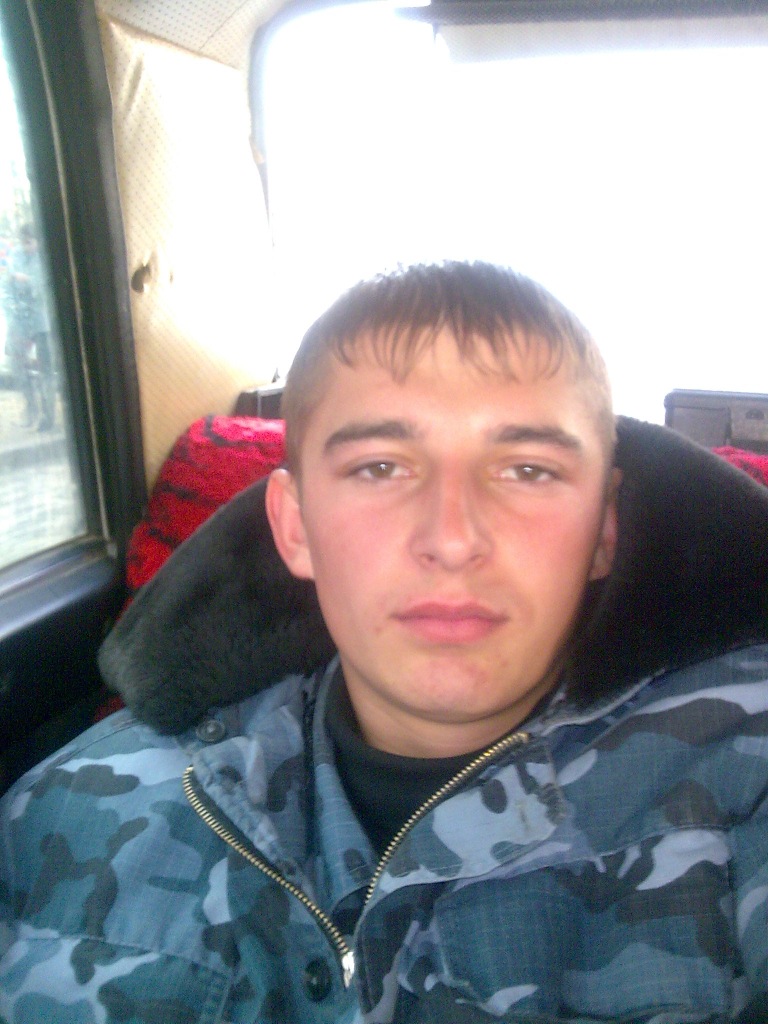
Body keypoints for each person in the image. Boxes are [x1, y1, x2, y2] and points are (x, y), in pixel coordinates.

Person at [2, 261, 768, 1023]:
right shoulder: (68, 808)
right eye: (379, 467)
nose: (453, 539)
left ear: (604, 529)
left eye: (528, 470)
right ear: (295, 527)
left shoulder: (744, 777)